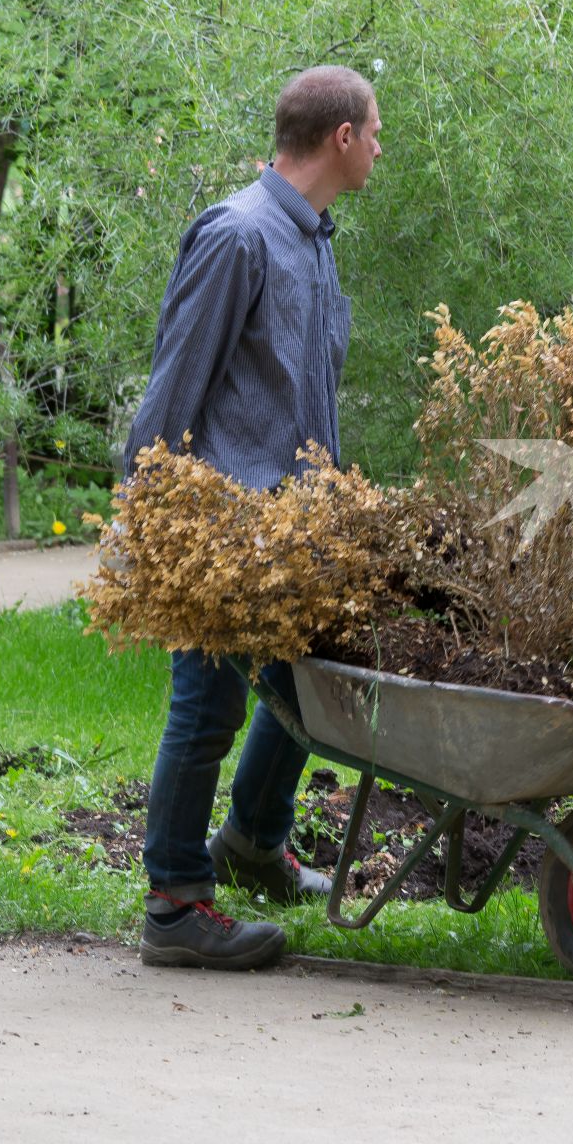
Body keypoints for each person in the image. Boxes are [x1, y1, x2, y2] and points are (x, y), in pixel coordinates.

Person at [122, 65, 382, 969]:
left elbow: (306, 389)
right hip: (223, 528)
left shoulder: (312, 239)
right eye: (375, 131)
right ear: (341, 137)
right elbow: (174, 385)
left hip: (296, 529)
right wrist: (149, 523)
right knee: (207, 709)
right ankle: (174, 905)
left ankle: (254, 843)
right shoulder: (238, 237)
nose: (381, 146)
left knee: (311, 685)